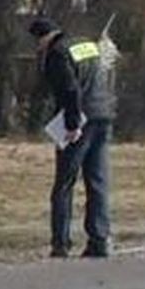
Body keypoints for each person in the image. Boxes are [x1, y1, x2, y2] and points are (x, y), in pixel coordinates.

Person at [28, 16, 116, 258]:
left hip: (80, 121)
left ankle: (61, 243)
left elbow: (70, 89)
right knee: (97, 182)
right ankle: (100, 240)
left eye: (37, 43)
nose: (38, 49)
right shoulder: (86, 44)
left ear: (43, 38)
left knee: (64, 184)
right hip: (103, 114)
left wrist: (72, 123)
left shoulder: (58, 53)